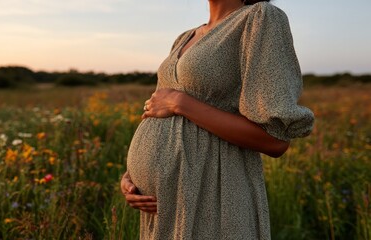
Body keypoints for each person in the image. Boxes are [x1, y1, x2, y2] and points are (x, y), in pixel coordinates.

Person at [121, 0, 314, 239]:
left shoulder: (260, 18)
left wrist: (181, 104)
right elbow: (157, 108)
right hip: (162, 208)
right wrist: (132, 177)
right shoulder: (185, 37)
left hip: (212, 192)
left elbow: (274, 141)